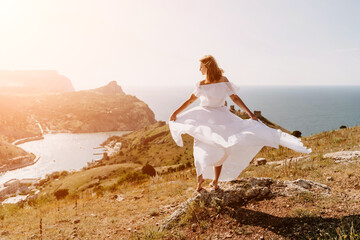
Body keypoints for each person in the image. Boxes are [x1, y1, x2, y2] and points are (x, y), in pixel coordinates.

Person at [169, 55, 311, 192]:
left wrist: (175, 112)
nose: (199, 70)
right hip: (220, 116)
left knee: (202, 146)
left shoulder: (202, 84)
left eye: (201, 67)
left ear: (206, 67)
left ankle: (203, 180)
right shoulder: (222, 80)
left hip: (206, 117)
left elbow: (190, 101)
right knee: (222, 146)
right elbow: (235, 99)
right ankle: (214, 181)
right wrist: (250, 114)